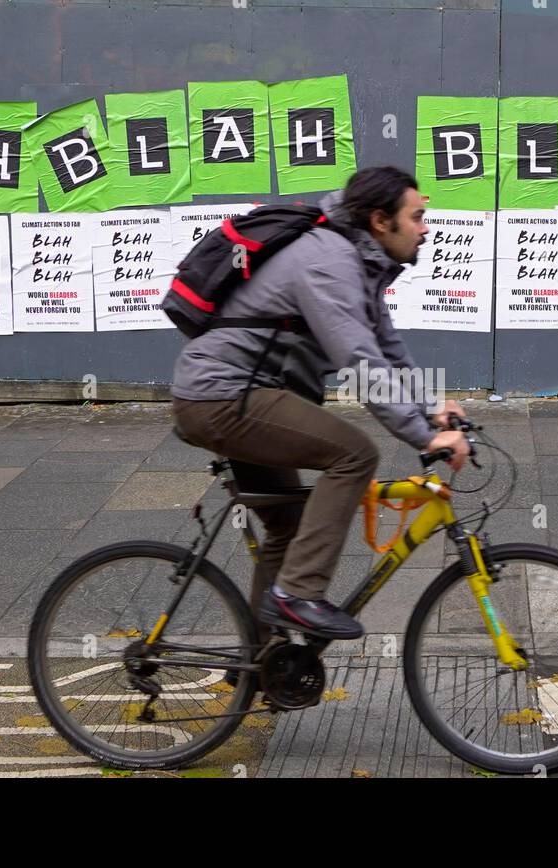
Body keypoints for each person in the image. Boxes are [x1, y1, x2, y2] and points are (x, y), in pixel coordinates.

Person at [170, 166, 470, 641]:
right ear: (380, 220)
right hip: (223, 397)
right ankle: (299, 595)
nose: (425, 227)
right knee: (354, 454)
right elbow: (359, 361)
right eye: (416, 216)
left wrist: (432, 405)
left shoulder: (357, 259)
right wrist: (426, 437)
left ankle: (259, 667)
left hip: (240, 394)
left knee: (288, 523)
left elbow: (386, 347)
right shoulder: (329, 261)